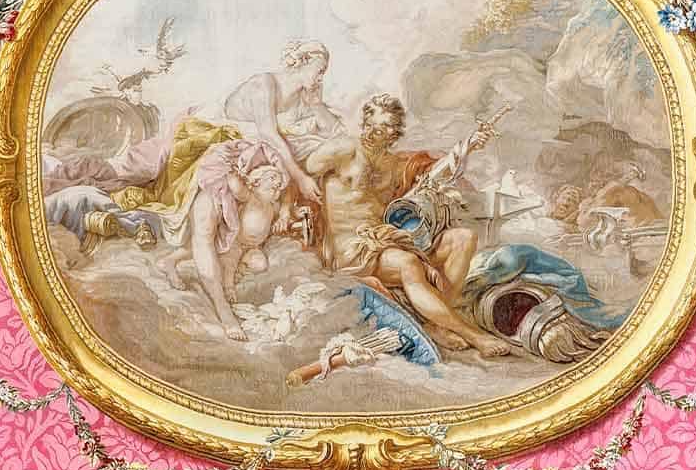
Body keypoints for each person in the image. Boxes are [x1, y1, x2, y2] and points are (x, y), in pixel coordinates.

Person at [305, 95, 510, 358]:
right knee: (408, 263)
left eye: (385, 126)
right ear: (365, 122)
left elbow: (434, 176)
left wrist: (468, 147)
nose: (375, 131)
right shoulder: (344, 149)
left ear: (395, 132)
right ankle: (473, 335)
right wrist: (289, 208)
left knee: (464, 238)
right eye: (371, 123)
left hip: (387, 240)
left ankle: (437, 323)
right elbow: (303, 172)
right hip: (351, 247)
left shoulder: (395, 165)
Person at [159, 142, 292, 341]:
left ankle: (171, 260)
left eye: (277, 184)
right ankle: (223, 307)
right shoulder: (246, 190)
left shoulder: (271, 191)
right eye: (272, 181)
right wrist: (231, 172)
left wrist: (286, 212)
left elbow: (285, 187)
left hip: (245, 236)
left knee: (232, 251)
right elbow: (238, 187)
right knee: (212, 239)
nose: (276, 187)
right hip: (215, 180)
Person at [220, 40, 344, 205]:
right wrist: (301, 178)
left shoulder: (304, 94)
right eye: (320, 71)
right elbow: (269, 134)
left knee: (337, 148)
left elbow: (335, 132)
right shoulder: (264, 84)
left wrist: (316, 104)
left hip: (274, 148)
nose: (321, 78)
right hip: (243, 142)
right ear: (304, 61)